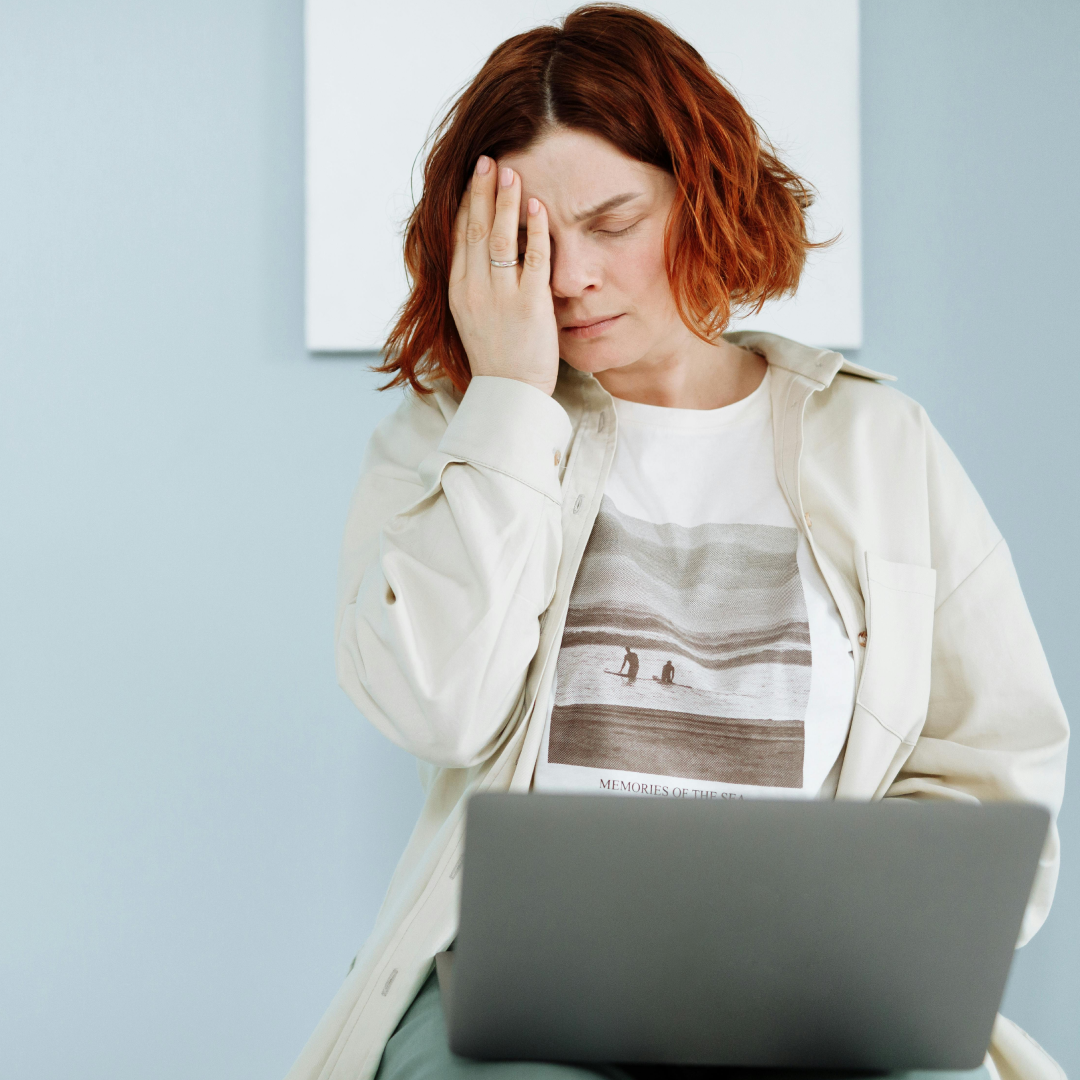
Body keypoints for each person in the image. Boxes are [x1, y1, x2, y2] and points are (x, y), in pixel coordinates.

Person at [286, 6, 1068, 1080]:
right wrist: (510, 400)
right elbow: (439, 708)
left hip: (815, 990)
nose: (571, 277)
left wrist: (861, 933)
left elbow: (992, 762)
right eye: (528, 244)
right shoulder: (450, 435)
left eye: (613, 223)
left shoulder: (879, 443)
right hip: (529, 998)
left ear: (703, 195)